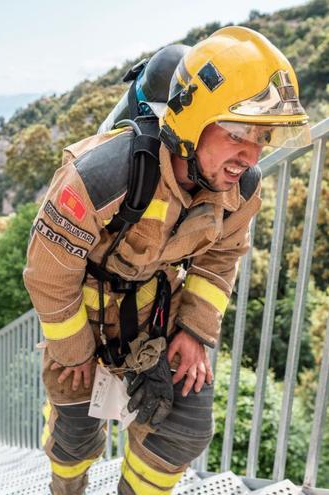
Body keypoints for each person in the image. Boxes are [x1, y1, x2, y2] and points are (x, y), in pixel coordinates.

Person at [23, 26, 310, 495]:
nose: (249, 156)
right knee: (76, 435)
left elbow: (221, 259)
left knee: (184, 430)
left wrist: (194, 334)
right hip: (82, 318)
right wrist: (75, 353)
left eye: (263, 139)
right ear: (194, 122)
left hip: (156, 314)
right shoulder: (101, 175)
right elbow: (49, 276)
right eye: (238, 134)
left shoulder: (240, 189)